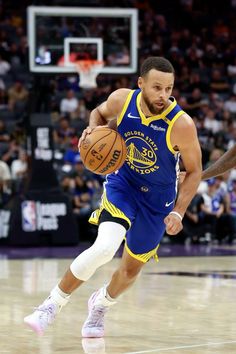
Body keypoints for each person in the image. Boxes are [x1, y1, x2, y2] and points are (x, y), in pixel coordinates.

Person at [24, 56, 202, 337]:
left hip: (158, 203)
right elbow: (98, 113)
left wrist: (179, 211)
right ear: (140, 83)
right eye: (157, 88)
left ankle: (101, 304)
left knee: (130, 271)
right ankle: (50, 306)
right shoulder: (122, 100)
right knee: (105, 247)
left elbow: (194, 171)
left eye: (169, 89)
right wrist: (93, 130)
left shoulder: (182, 124)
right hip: (124, 185)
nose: (164, 95)